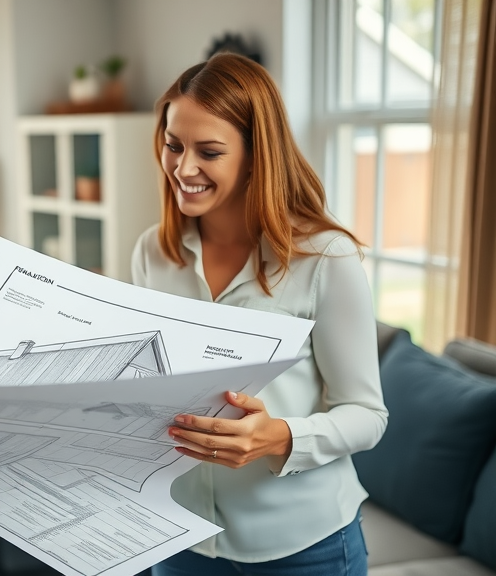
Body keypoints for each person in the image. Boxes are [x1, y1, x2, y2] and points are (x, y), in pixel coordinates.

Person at [132, 52, 388, 576]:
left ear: (255, 155)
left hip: (304, 547)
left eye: (209, 151)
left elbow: (367, 416)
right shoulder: (152, 254)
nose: (183, 168)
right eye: (173, 145)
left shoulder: (325, 259)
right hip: (179, 539)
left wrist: (280, 437)